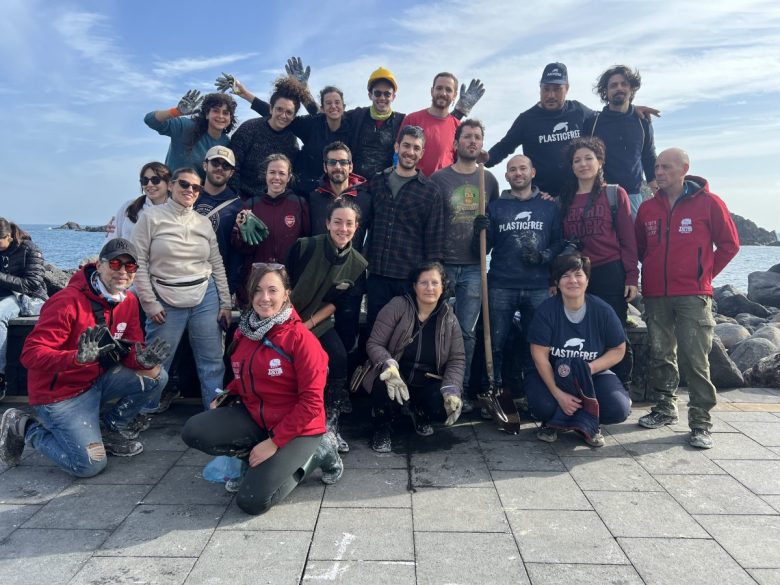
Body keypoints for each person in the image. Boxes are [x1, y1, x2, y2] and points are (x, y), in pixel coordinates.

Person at [181, 264, 343, 515]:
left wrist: (275, 442)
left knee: (252, 501)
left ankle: (319, 452)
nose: (264, 297)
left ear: (286, 294)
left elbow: (311, 403)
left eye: (272, 290)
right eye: (257, 290)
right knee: (194, 430)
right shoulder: (245, 332)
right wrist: (227, 395)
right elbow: (244, 376)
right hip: (258, 418)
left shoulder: (301, 340)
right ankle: (253, 457)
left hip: (299, 429)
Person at [0, 239, 170, 475]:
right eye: (115, 264)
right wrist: (76, 358)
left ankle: (111, 428)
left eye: (130, 266)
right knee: (88, 466)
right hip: (60, 395)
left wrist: (141, 360)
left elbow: (130, 346)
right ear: (99, 266)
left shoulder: (129, 301)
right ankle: (25, 427)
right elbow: (30, 355)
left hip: (95, 381)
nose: (123, 271)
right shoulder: (66, 302)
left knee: (156, 375)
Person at [635, 148, 739, 449]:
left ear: (684, 169)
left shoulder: (709, 203)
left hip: (693, 296)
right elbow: (641, 248)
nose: (659, 172)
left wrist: (704, 275)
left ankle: (700, 422)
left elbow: (730, 245)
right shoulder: (647, 208)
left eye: (666, 167)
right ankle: (665, 408)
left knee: (695, 359)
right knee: (661, 353)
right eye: (657, 167)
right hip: (656, 294)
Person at [132, 168, 232, 412]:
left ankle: (214, 413)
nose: (190, 190)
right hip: (165, 297)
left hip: (205, 295)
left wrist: (226, 303)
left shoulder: (203, 223)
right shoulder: (150, 218)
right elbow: (138, 262)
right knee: (156, 361)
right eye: (184, 184)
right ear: (171, 185)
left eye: (196, 187)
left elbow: (216, 263)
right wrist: (149, 302)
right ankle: (144, 412)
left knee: (212, 362)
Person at [487, 62, 657, 197]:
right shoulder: (527, 119)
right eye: (546, 89)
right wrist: (485, 158)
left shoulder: (579, 112)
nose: (551, 95)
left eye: (557, 89)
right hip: (543, 198)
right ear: (540, 89)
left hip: (577, 197)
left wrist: (631, 111)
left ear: (566, 88)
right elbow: (504, 146)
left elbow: (608, 118)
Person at [473, 154, 562, 392]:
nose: (518, 173)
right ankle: (492, 388)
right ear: (506, 176)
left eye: (523, 168)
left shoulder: (549, 207)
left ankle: (533, 391)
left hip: (538, 287)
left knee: (536, 344)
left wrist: (543, 256)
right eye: (512, 170)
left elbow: (558, 243)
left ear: (533, 172)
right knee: (495, 343)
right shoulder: (495, 207)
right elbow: (482, 249)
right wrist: (478, 232)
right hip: (500, 286)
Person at [526, 253, 631, 447]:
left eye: (578, 275)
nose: (572, 281)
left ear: (587, 280)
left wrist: (589, 368)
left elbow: (618, 349)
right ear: (557, 282)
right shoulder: (546, 311)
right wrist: (558, 394)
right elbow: (539, 355)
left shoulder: (603, 311)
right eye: (565, 276)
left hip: (592, 374)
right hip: (554, 373)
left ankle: (589, 423)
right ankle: (551, 422)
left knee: (618, 408)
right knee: (544, 405)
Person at [288, 199, 368, 452]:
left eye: (349, 224)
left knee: (338, 356)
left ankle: (331, 424)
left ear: (357, 227)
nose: (343, 229)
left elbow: (336, 303)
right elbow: (281, 285)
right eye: (338, 222)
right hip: (284, 317)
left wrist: (308, 325)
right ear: (327, 223)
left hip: (317, 320)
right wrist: (290, 323)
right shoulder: (305, 247)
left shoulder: (358, 264)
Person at [429, 120, 499, 407]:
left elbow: (494, 224)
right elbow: (431, 222)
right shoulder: (439, 179)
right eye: (467, 136)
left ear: (481, 144)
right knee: (437, 327)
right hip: (443, 264)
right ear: (456, 143)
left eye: (477, 137)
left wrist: (486, 235)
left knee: (467, 332)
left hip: (473, 266)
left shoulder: (489, 180)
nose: (472, 141)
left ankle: (463, 388)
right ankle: (435, 385)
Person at [559, 137, 638, 385]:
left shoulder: (614, 194)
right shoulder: (564, 199)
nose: (583, 164)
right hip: (576, 274)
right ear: (571, 166)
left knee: (614, 330)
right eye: (577, 160)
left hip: (609, 271)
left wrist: (631, 277)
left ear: (600, 162)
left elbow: (628, 239)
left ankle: (620, 385)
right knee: (579, 330)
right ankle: (584, 382)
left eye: (588, 158)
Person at [362, 262, 465, 452]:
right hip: (398, 375)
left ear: (443, 287)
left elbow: (457, 358)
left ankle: (420, 411)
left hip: (427, 380)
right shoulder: (398, 306)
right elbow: (374, 343)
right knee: (385, 383)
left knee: (444, 403)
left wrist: (452, 389)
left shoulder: (448, 316)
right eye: (423, 282)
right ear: (414, 286)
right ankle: (382, 427)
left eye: (435, 283)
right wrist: (388, 364)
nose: (429, 288)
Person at [364, 125, 446, 334]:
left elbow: (434, 243)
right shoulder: (377, 181)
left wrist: (430, 282)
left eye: (416, 148)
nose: (410, 152)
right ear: (396, 147)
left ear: (422, 153)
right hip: (376, 275)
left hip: (408, 279)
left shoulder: (430, 191)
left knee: (403, 335)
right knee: (373, 333)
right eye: (406, 146)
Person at [308, 141, 372, 355]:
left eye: (343, 162)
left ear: (351, 166)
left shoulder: (365, 199)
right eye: (332, 162)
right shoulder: (314, 197)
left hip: (351, 279)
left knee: (347, 339)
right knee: (315, 340)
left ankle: (344, 376)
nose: (338, 167)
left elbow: (374, 234)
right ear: (325, 166)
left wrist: (364, 261)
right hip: (318, 279)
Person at [232, 154, 310, 306]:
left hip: (287, 283)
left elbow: (307, 243)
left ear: (289, 177)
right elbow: (238, 247)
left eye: (282, 173)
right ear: (265, 175)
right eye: (272, 172)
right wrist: (240, 231)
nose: (277, 177)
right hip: (257, 283)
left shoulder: (299, 204)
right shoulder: (251, 205)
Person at [584, 65, 657, 218]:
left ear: (632, 89)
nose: (619, 88)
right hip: (600, 195)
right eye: (613, 85)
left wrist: (658, 192)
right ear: (605, 91)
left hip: (633, 196)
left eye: (624, 84)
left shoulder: (642, 121)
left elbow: (649, 157)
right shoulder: (593, 123)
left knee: (635, 235)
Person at [229, 77, 310, 200]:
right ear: (271, 109)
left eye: (289, 112)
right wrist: (236, 197)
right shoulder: (249, 128)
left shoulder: (291, 142)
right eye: (279, 109)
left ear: (294, 117)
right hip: (241, 198)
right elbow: (232, 166)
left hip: (273, 201)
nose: (283, 115)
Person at [400, 72, 485, 176]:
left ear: (454, 95)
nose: (443, 93)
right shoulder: (412, 119)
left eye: (448, 90)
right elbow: (398, 154)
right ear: (432, 91)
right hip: (413, 183)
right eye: (439, 88)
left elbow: (462, 161)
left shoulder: (459, 127)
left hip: (445, 183)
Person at [0, 219, 48, 400]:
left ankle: (0, 377)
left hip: (30, 298)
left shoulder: (30, 249)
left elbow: (32, 283)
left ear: (8, 236)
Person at [144, 91, 236, 179]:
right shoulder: (186, 127)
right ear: (207, 114)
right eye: (216, 111)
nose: (220, 116)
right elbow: (150, 120)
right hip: (172, 188)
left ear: (230, 118)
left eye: (225, 113)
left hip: (199, 189)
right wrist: (176, 111)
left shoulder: (227, 144)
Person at [194, 146, 243, 296]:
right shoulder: (189, 196)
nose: (220, 168)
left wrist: (229, 290)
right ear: (205, 165)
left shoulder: (238, 207)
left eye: (226, 166)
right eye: (215, 163)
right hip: (182, 277)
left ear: (231, 173)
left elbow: (236, 253)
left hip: (215, 284)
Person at [348, 67, 408, 180]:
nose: (382, 98)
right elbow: (333, 115)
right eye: (377, 93)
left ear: (393, 97)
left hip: (386, 185)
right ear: (370, 95)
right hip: (357, 185)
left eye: (387, 94)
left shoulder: (402, 121)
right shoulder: (356, 116)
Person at [107, 163, 171, 242]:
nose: (149, 184)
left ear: (169, 183)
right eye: (145, 180)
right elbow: (111, 240)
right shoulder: (129, 206)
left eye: (155, 180)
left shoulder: (176, 211)